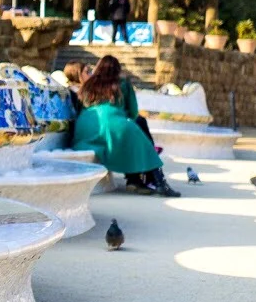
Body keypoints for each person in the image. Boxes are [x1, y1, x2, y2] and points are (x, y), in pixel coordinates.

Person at [72, 55, 180, 197]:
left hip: (85, 127)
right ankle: (159, 182)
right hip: (112, 121)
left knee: (129, 136)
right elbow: (134, 112)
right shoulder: (122, 83)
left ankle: (135, 181)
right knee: (140, 139)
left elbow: (79, 107)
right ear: (117, 69)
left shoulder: (88, 84)